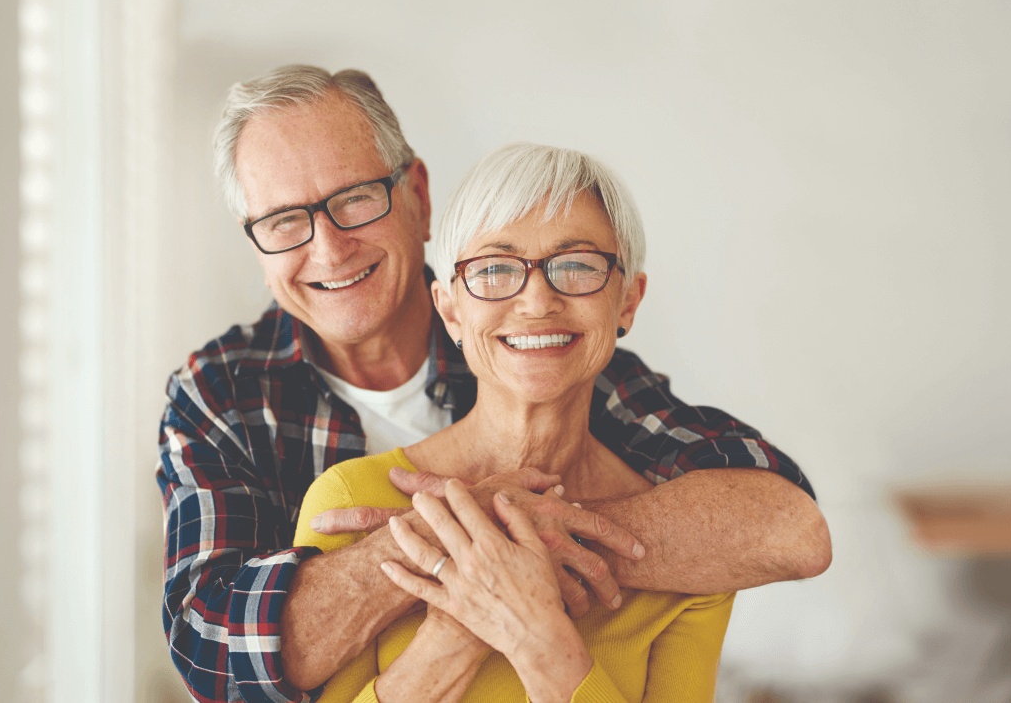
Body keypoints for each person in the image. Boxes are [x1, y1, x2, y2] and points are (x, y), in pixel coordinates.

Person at [157, 64, 830, 703]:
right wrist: (460, 546)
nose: (330, 248)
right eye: (284, 221)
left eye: (355, 199)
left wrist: (514, 549)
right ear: (257, 244)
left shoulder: (550, 356)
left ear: (417, 194)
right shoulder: (224, 396)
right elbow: (214, 657)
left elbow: (786, 525)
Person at [293, 142, 739, 702]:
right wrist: (462, 623)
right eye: (495, 269)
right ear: (451, 309)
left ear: (627, 301)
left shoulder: (691, 562)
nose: (535, 301)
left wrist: (536, 635)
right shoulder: (349, 500)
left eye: (576, 265)